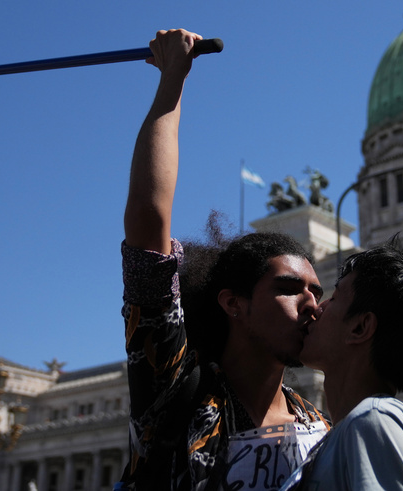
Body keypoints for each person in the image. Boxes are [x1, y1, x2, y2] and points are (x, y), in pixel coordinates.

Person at [118, 29, 329, 491]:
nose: (313, 304)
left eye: (317, 291)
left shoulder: (320, 428)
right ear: (234, 303)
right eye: (290, 289)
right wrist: (173, 79)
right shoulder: (174, 386)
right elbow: (149, 218)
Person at [281, 240, 403, 490]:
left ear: (360, 327)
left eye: (335, 297)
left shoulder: (374, 421)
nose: (318, 308)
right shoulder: (353, 427)